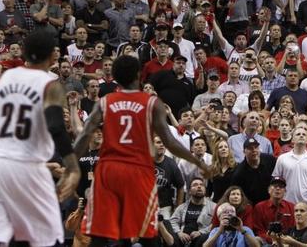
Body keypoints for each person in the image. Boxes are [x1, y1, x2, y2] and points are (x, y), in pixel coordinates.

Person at [0, 29, 80, 246]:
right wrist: (73, 168)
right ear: (53, 56)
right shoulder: (51, 86)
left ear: (24, 53)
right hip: (26, 168)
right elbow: (57, 127)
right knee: (46, 240)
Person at [74, 55, 213, 245]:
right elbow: (170, 142)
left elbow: (83, 136)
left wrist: (69, 164)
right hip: (138, 170)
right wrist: (197, 161)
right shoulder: (150, 103)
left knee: (100, 233)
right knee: (146, 232)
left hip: (109, 170)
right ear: (138, 76)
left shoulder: (104, 102)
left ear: (115, 76)